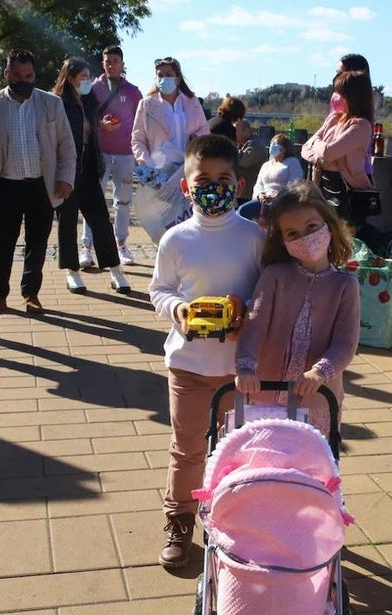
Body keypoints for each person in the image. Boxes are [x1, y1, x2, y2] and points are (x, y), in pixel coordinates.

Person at [148, 134, 265, 568]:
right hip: (189, 366)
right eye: (203, 179)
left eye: (223, 178)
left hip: (241, 369)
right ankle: (179, 520)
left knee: (239, 449)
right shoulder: (175, 240)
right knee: (188, 448)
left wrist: (247, 315)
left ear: (239, 185)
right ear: (186, 185)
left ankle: (236, 523)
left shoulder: (254, 237)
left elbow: (267, 293)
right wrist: (177, 310)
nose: (213, 186)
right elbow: (158, 290)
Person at [235, 181, 360, 437]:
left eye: (311, 227)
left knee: (312, 468)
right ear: (283, 241)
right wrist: (246, 367)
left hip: (318, 398)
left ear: (328, 224)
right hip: (265, 393)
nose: (304, 237)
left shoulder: (344, 286)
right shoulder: (275, 277)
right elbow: (255, 324)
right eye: (292, 233)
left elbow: (345, 343)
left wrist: (320, 372)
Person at [0, 50, 76, 317]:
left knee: (37, 242)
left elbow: (67, 145)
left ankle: (31, 295)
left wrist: (65, 178)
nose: (24, 80)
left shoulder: (51, 104)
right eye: (17, 75)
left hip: (42, 186)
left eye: (29, 75)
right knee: (3, 243)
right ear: (7, 75)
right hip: (4, 185)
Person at [52, 57, 131, 295]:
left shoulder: (89, 101)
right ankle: (72, 271)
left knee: (100, 220)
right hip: (65, 169)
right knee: (67, 221)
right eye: (82, 78)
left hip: (88, 166)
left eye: (88, 77)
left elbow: (91, 131)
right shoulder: (57, 104)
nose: (86, 82)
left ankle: (115, 269)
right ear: (69, 79)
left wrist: (102, 125)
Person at [82, 44, 143, 268]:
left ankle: (121, 244)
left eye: (115, 61)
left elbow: (141, 121)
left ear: (122, 64)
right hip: (100, 153)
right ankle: (87, 247)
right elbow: (84, 116)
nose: (111, 65)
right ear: (102, 63)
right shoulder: (92, 88)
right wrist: (100, 125)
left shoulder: (133, 91)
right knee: (93, 200)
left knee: (123, 201)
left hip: (126, 154)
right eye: (107, 61)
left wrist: (140, 150)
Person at [301, 70, 376, 231]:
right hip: (325, 188)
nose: (335, 96)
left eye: (340, 92)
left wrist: (319, 146)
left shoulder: (361, 126)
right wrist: (322, 153)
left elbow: (328, 152)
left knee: (345, 242)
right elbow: (305, 148)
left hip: (348, 193)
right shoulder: (334, 118)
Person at [131, 56, 208, 171]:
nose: (164, 79)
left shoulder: (193, 102)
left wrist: (195, 138)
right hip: (157, 171)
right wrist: (145, 163)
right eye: (160, 75)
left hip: (188, 167)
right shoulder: (146, 105)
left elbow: (205, 130)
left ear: (177, 79)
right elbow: (137, 139)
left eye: (168, 75)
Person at [238, 133, 303, 221]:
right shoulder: (266, 165)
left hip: (282, 202)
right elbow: (258, 184)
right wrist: (260, 195)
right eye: (271, 143)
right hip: (263, 201)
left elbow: (295, 184)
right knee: (242, 211)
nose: (271, 146)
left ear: (283, 149)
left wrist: (276, 196)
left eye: (275, 144)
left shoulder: (292, 162)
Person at [233, 119, 267, 207]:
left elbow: (244, 160)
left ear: (246, 131)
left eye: (234, 131)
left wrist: (230, 149)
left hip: (248, 194)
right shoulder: (241, 145)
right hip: (240, 192)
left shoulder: (256, 145)